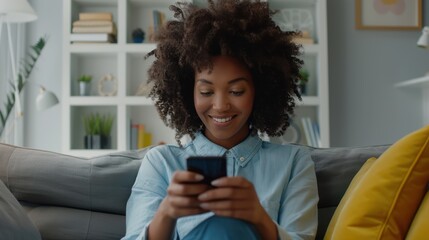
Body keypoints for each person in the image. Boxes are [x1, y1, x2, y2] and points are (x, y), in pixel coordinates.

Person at [122, 0, 318, 239]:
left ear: (261, 91)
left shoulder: (293, 163)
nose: (220, 106)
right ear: (187, 91)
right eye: (206, 92)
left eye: (236, 92)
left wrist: (258, 217)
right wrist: (167, 214)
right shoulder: (161, 163)